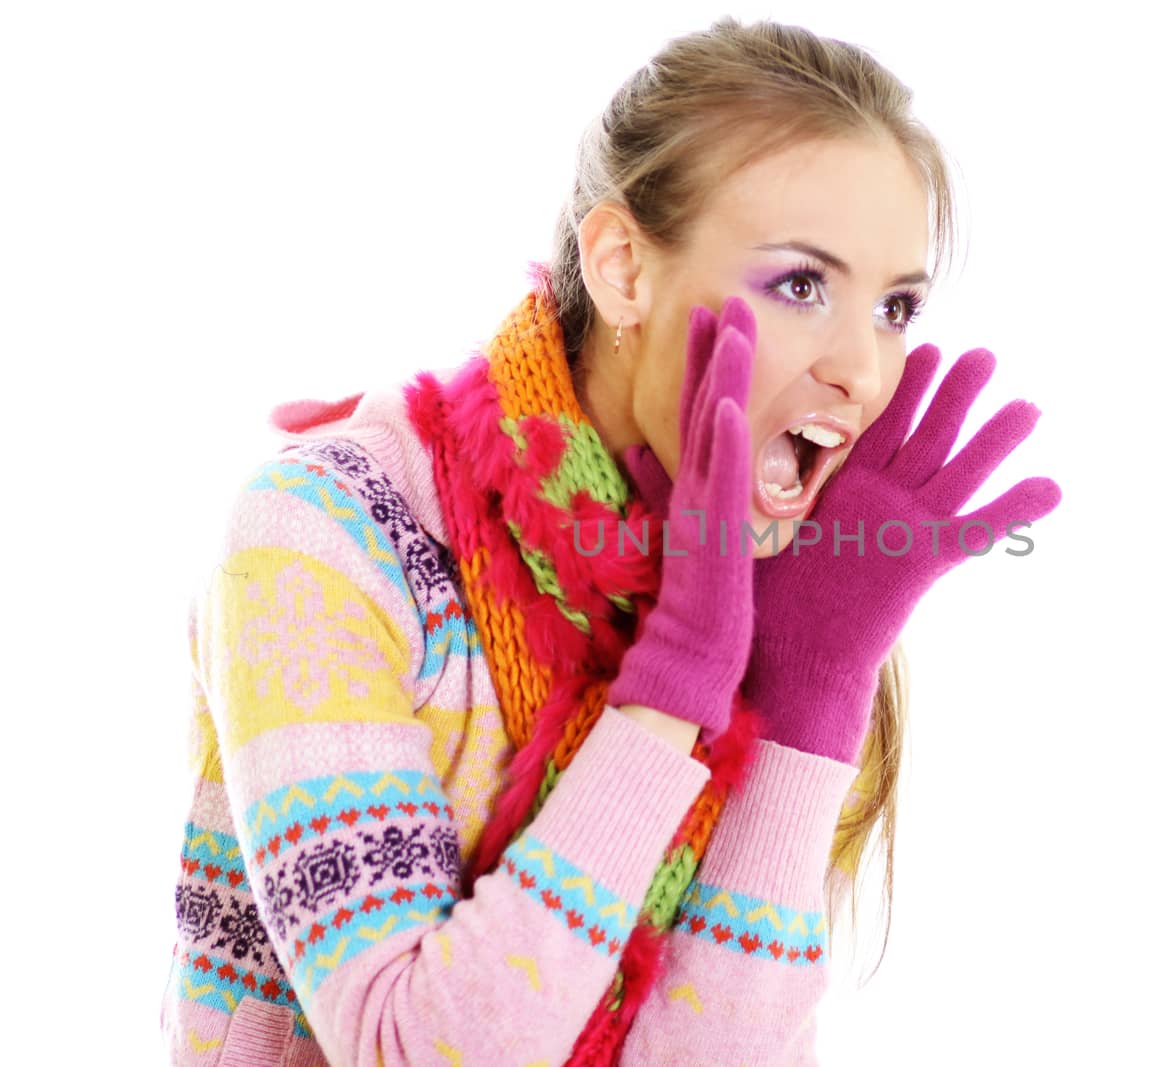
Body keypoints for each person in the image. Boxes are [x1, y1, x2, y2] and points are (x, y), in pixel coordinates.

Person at [160, 16, 1061, 1066]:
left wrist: (810, 696)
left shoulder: (776, 583)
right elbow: (416, 1050)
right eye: (801, 286)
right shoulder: (322, 534)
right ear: (624, 268)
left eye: (896, 304)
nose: (862, 372)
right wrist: (667, 690)